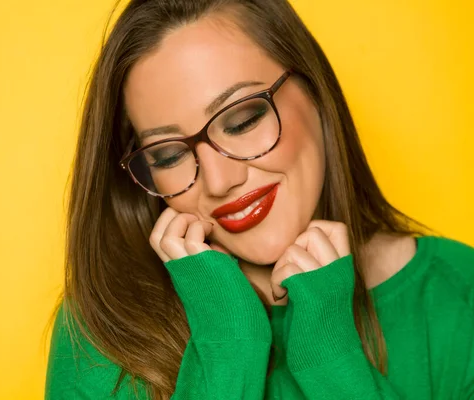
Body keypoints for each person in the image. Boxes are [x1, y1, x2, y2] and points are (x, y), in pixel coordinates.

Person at [45, 0, 474, 398]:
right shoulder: (102, 326)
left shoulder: (459, 295)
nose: (218, 181)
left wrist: (331, 361)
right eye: (170, 154)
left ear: (316, 94)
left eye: (243, 119)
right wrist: (228, 342)